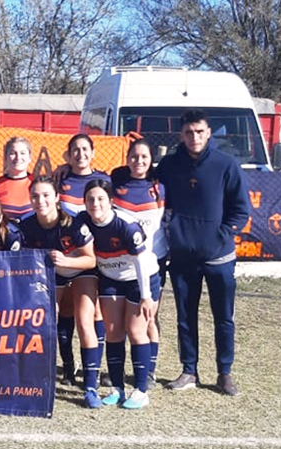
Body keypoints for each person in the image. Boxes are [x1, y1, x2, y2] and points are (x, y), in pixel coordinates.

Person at [157, 109, 250, 396]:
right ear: (181, 134)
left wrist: (221, 235)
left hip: (219, 257)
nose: (194, 137)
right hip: (183, 256)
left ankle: (225, 372)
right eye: (188, 132)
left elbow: (241, 209)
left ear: (209, 132)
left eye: (199, 132)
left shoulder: (227, 164)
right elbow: (139, 180)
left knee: (223, 316)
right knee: (186, 317)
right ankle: (189, 370)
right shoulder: (169, 165)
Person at [78, 179, 160, 410]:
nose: (95, 204)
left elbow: (142, 262)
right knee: (113, 332)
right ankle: (117, 388)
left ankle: (141, 390)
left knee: (135, 331)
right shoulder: (83, 221)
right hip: (111, 279)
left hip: (140, 279)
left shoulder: (126, 225)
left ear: (111, 201)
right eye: (90, 199)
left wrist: (146, 296)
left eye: (101, 199)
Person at [19, 177, 97, 401]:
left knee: (84, 321)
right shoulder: (27, 226)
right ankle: (43, 376)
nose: (40, 200)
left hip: (81, 270)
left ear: (56, 198)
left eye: (45, 195)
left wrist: (66, 262)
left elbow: (91, 260)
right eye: (35, 196)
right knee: (43, 319)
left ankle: (90, 387)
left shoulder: (72, 225)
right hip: (52, 275)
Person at [111, 139, 168, 388]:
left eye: (144, 157)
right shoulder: (116, 183)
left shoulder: (159, 187)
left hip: (153, 261)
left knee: (148, 318)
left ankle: (150, 371)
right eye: (134, 156)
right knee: (122, 324)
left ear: (151, 159)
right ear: (127, 158)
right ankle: (122, 371)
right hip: (122, 264)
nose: (139, 161)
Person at [57, 134, 110, 388]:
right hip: (68, 256)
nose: (80, 154)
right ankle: (69, 368)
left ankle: (95, 371)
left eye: (85, 149)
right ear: (68, 155)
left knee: (94, 313)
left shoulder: (104, 180)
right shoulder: (61, 179)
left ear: (93, 152)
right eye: (75, 150)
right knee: (66, 310)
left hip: (97, 255)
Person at [0, 137, 34, 222]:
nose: (18, 157)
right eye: (12, 153)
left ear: (29, 157)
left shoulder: (38, 183)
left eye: (22, 153)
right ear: (6, 157)